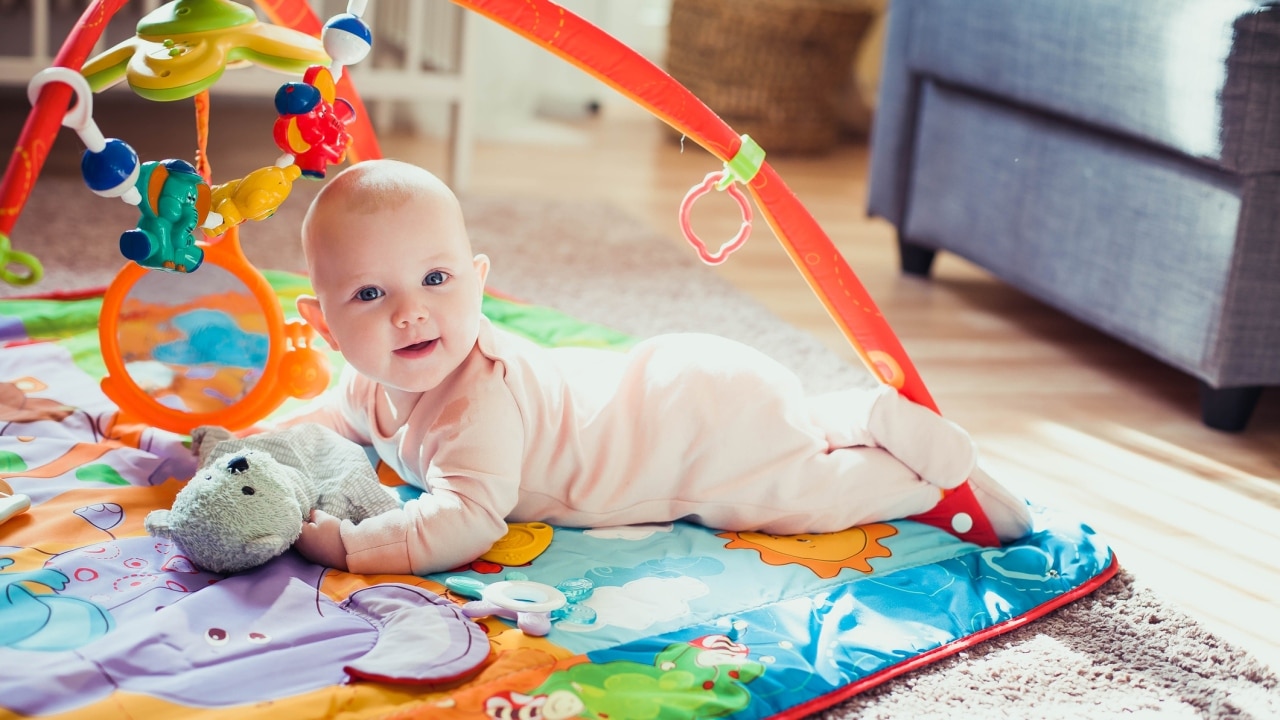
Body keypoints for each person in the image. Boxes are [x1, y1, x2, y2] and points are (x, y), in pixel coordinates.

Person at [280, 158, 1032, 576]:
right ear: (324, 324)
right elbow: (332, 419)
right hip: (680, 375)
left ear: (478, 281)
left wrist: (351, 547)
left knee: (802, 496)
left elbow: (466, 520)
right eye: (371, 294)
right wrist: (259, 450)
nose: (410, 313)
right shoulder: (370, 383)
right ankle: (855, 413)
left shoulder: (477, 405)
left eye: (436, 281)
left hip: (687, 441)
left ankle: (924, 480)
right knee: (792, 421)